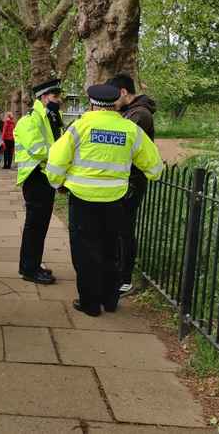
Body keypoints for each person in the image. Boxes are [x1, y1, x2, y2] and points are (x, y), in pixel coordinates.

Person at [45, 84, 163, 317]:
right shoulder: (130, 129)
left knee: (85, 252)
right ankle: (110, 301)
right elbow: (154, 166)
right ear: (115, 103)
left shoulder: (80, 127)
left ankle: (90, 303)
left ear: (92, 103)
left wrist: (58, 182)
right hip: (116, 200)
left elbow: (56, 160)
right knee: (111, 251)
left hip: (82, 200)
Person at [107, 73, 157, 295]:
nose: (110, 102)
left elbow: (124, 148)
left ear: (124, 92)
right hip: (125, 181)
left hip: (132, 184)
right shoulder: (130, 112)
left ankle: (124, 279)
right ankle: (116, 273)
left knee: (124, 230)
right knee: (118, 230)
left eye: (113, 96)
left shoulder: (140, 115)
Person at [13, 78, 64, 285]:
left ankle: (33, 263)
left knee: (40, 225)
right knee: (34, 226)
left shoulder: (51, 117)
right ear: (43, 98)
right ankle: (29, 269)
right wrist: (63, 155)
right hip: (35, 178)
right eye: (55, 96)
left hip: (46, 178)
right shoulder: (29, 121)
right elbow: (38, 150)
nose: (58, 100)